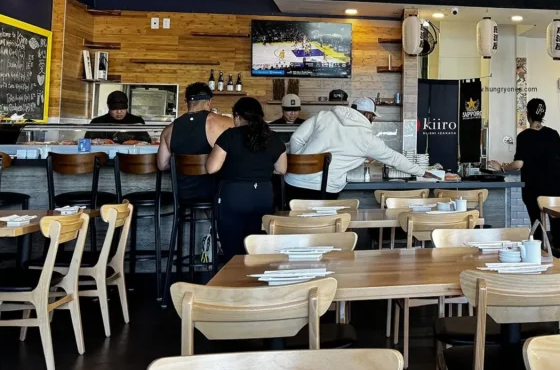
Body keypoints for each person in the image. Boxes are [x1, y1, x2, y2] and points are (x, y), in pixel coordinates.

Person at [286, 96, 433, 199]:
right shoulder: (367, 138)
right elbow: (394, 158)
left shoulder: (323, 115)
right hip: (323, 190)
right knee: (322, 230)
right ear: (368, 114)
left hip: (292, 184)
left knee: (295, 226)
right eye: (373, 117)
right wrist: (421, 172)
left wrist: (302, 164)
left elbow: (296, 138)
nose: (373, 120)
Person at [205, 97, 287, 264]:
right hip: (263, 197)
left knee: (233, 252)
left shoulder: (229, 135)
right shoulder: (273, 137)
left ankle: (235, 286)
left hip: (234, 197)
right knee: (256, 249)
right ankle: (255, 285)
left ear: (237, 116)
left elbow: (211, 168)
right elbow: (282, 169)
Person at [487, 98, 560, 250]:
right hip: (556, 187)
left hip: (534, 188)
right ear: (543, 113)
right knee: (556, 222)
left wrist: (502, 167)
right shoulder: (553, 134)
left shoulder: (524, 136)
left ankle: (539, 251)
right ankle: (559, 254)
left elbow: (519, 164)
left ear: (528, 114)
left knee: (537, 221)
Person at [157, 82, 234, 203]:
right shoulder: (223, 121)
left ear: (186, 102)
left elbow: (162, 165)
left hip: (183, 194)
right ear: (209, 101)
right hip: (216, 193)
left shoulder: (168, 129)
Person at [86, 91, 150, 144]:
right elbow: (86, 142)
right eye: (115, 108)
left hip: (131, 156)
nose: (119, 112)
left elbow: (147, 142)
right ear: (109, 107)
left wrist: (136, 142)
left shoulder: (137, 121)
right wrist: (101, 141)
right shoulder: (97, 122)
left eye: (122, 108)